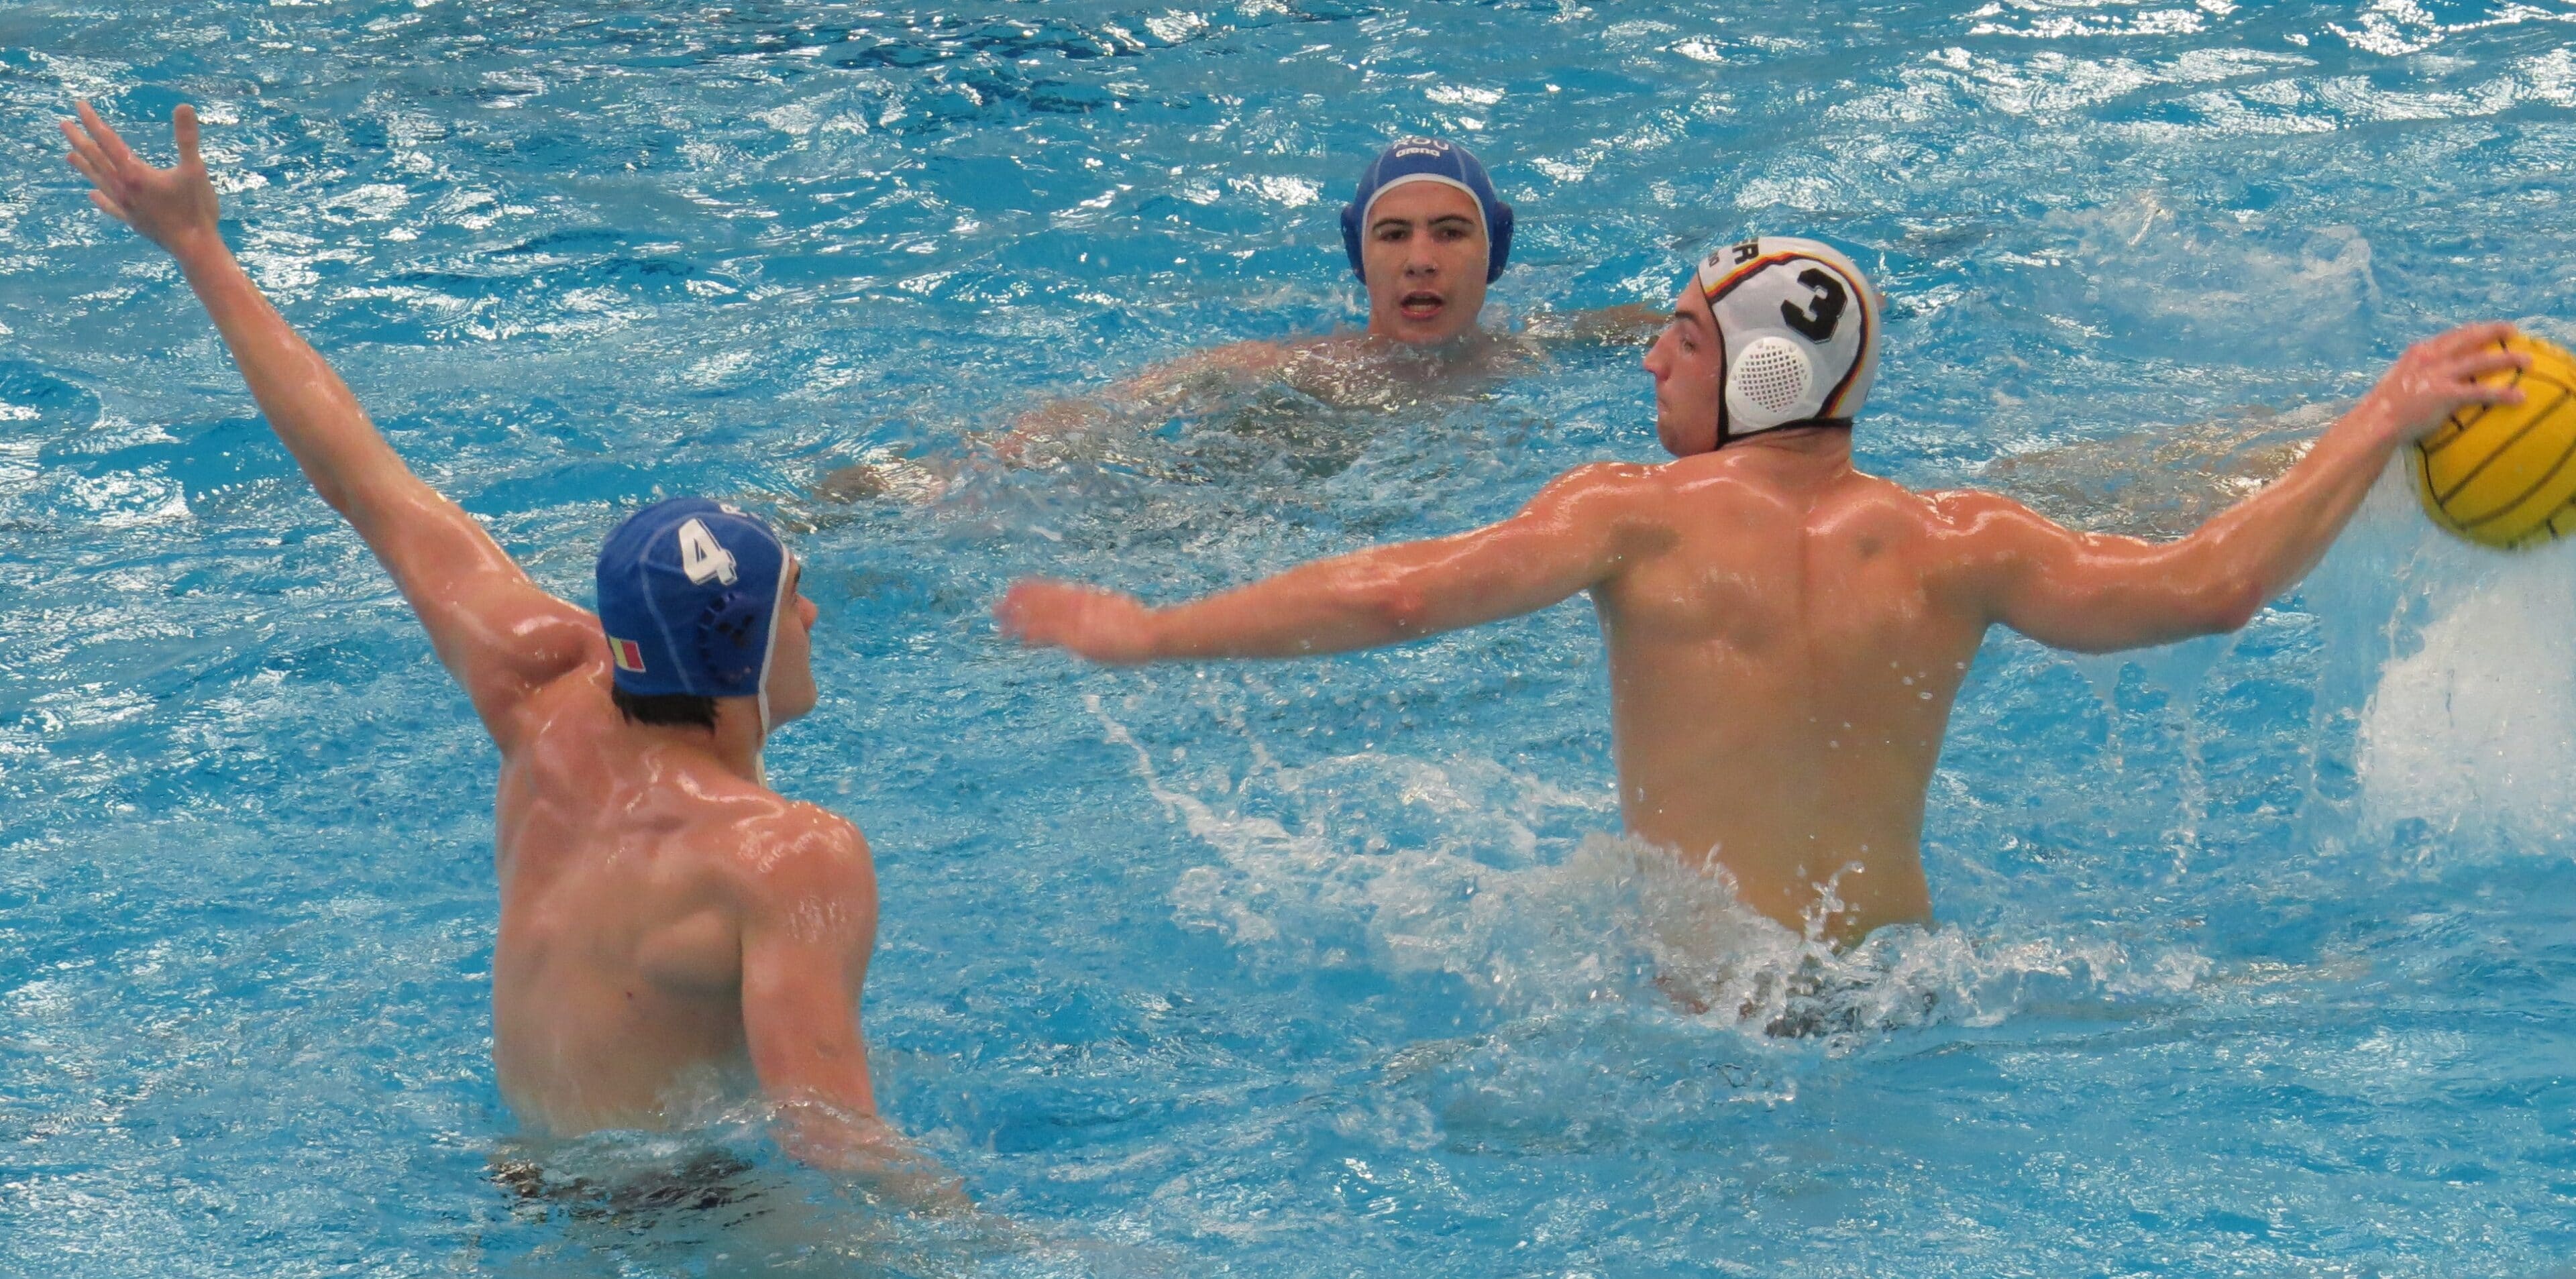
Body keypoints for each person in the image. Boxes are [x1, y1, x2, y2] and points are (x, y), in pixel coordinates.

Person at [998, 235, 2528, 945]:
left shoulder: (1629, 517)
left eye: (1679, 337)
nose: (1650, 362)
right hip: (1901, 991)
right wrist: (2380, 414)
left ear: (1760, 372)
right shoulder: (1962, 539)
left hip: (1695, 1013)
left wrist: (1158, 631)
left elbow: (1402, 596)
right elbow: (2214, 583)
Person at [59, 103, 951, 1200]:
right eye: (793, 602)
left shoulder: (542, 691)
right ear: (741, 653)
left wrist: (201, 250)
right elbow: (829, 1135)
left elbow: (364, 481)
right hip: (686, 1211)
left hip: (526, 1183)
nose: (814, 620)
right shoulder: (789, 856)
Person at [819, 137, 1660, 497]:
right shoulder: (1297, 367)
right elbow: (1104, 412)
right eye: (1393, 234)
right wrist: (933, 473)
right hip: (1236, 498)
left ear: (1494, 251)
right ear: (1361, 256)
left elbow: (1672, 325)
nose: (1420, 259)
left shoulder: (1539, 353)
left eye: (1450, 232)